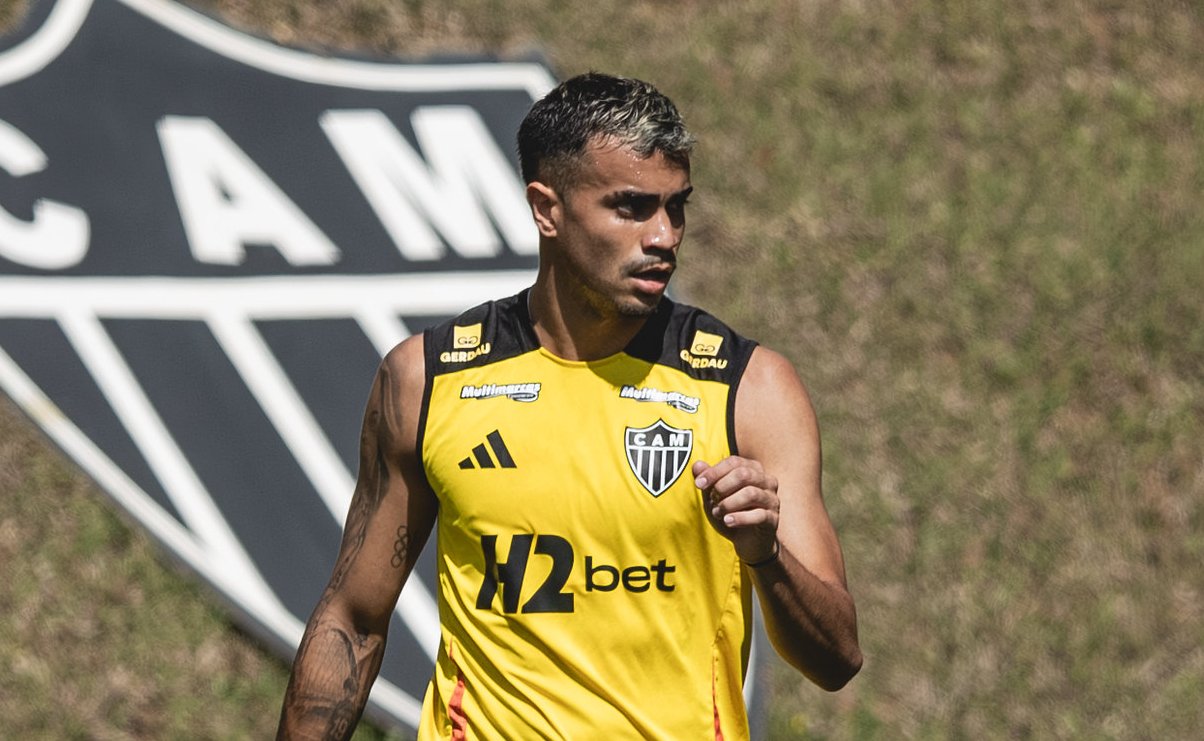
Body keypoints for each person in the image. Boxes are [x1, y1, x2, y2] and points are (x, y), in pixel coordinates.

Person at [277, 71, 862, 740]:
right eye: (632, 207)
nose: (665, 235)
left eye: (677, 207)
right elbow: (353, 620)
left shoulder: (749, 389)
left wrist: (765, 555)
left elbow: (838, 656)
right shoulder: (428, 380)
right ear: (546, 209)